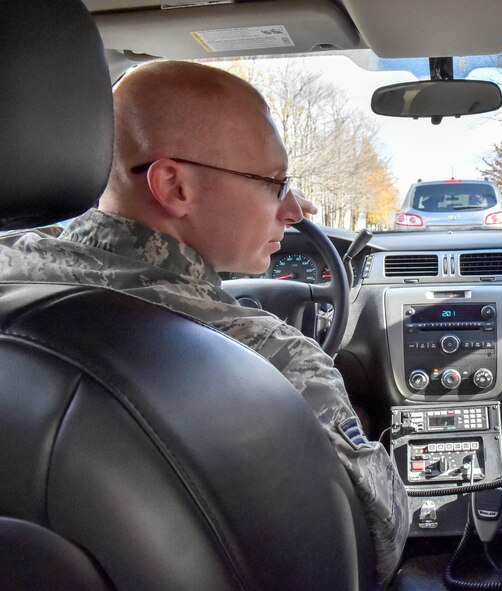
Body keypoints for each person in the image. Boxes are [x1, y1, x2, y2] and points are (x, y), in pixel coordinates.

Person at [0, 61, 407, 588]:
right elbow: (377, 539)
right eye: (274, 182)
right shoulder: (270, 353)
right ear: (174, 185)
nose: (297, 208)